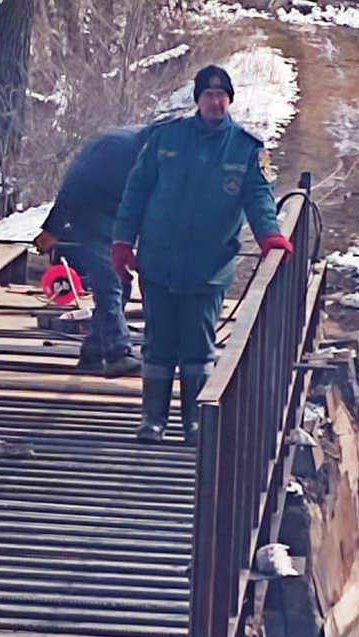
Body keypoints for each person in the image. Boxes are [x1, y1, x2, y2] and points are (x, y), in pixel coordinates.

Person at [111, 65, 292, 443]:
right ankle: (152, 419)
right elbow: (135, 192)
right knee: (157, 344)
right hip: (158, 263)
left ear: (229, 100)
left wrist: (269, 236)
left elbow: (258, 198)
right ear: (198, 99)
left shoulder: (246, 148)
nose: (215, 101)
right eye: (209, 95)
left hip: (208, 267)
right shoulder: (166, 139)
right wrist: (122, 241)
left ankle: (194, 422)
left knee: (197, 347)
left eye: (222, 95)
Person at [34, 125, 156, 377]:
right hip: (91, 213)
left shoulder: (161, 158)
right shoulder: (115, 151)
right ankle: (117, 353)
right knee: (111, 282)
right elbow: (73, 185)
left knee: (120, 286)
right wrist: (53, 229)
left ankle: (92, 353)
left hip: (119, 217)